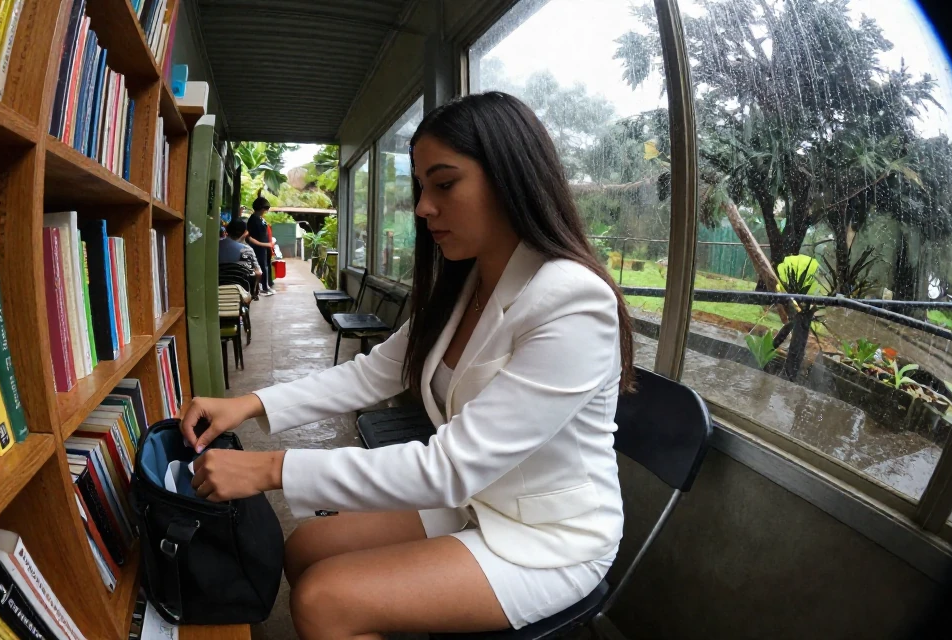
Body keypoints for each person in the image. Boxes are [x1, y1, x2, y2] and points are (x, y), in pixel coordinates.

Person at [180, 92, 636, 637]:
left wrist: (271, 468)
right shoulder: (466, 281)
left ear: (512, 177)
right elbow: (373, 372)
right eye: (422, 186)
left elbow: (448, 467)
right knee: (304, 548)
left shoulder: (572, 301)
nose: (423, 206)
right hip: (475, 503)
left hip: (549, 539)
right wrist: (250, 403)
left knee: (326, 601)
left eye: (444, 184)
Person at [219, 218, 263, 296]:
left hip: (217, 285)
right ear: (245, 232)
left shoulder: (214, 247)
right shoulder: (247, 249)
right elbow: (258, 273)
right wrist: (255, 291)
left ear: (226, 229)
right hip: (241, 290)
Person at [245, 192, 276, 296]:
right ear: (261, 208)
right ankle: (262, 288)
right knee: (260, 267)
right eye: (265, 209)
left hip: (265, 247)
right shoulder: (253, 220)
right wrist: (264, 244)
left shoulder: (260, 219)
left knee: (266, 266)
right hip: (258, 248)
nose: (265, 211)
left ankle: (266, 286)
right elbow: (249, 237)